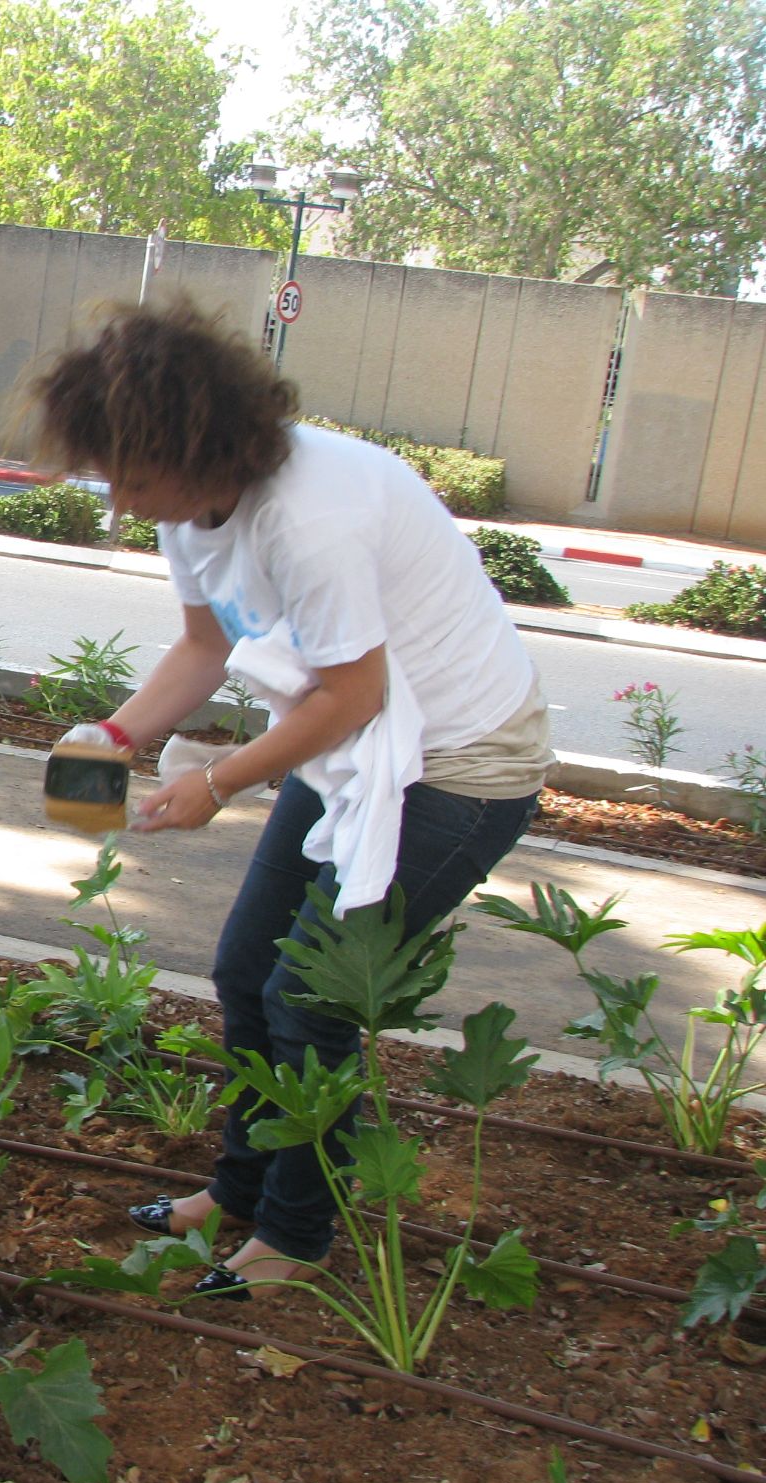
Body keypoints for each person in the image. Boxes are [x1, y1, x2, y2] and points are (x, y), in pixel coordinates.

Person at [31, 301, 552, 1298]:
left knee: (306, 1000)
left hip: (459, 764)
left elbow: (351, 692)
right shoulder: (192, 508)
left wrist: (217, 782)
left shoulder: (313, 516)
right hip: (357, 749)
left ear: (201, 444)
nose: (122, 502)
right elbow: (202, 647)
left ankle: (294, 1239)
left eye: (132, 479)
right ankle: (236, 1190)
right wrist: (111, 736)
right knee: (242, 970)